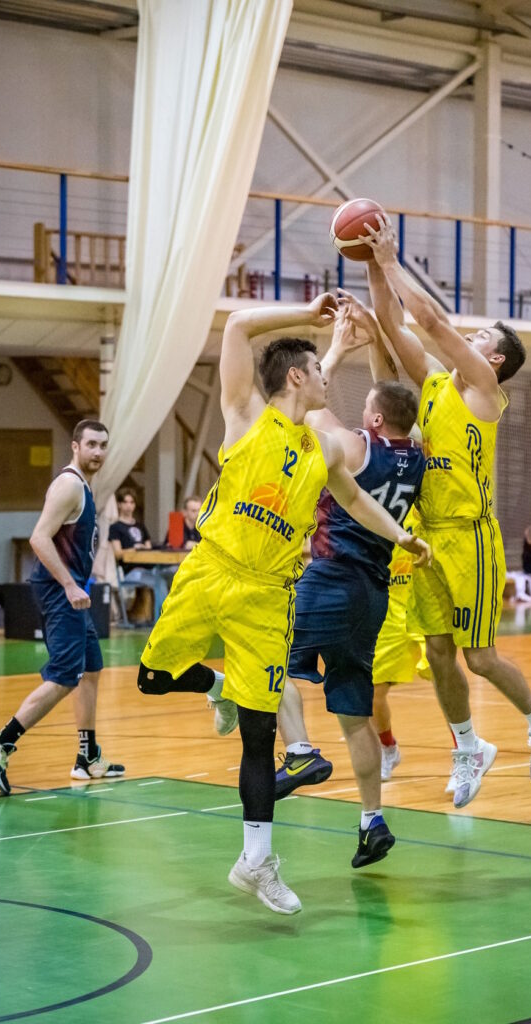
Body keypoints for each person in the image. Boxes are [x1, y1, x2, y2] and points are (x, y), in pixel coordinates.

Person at [136, 294, 430, 914]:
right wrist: (308, 312)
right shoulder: (244, 412)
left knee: (258, 731)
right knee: (152, 678)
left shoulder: (323, 449)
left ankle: (257, 860)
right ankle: (215, 686)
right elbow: (239, 325)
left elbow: (355, 501)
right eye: (320, 369)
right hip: (211, 571)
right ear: (297, 377)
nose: (328, 375)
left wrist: (401, 535)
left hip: (270, 596)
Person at [364, 215, 531, 808]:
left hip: (472, 536)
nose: (469, 338)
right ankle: (469, 747)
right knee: (437, 651)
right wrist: (373, 266)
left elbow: (428, 321)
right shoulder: (433, 382)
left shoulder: (483, 388)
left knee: (479, 657)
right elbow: (393, 323)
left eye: (480, 337)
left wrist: (392, 259)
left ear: (494, 359)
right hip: (429, 535)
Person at [272, 292, 426, 869]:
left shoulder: (353, 447)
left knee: (269, 659)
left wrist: (336, 349)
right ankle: (372, 821)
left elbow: (305, 407)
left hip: (331, 577)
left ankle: (300, 751)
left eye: (366, 407)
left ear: (375, 419)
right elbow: (394, 391)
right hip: (374, 591)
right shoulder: (417, 453)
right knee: (354, 714)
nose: (360, 411)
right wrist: (378, 337)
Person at [0, 420, 125, 794]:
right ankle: (1, 742)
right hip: (61, 592)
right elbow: (39, 538)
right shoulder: (69, 485)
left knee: (91, 668)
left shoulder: (84, 486)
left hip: (69, 591)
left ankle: (87, 757)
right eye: (91, 444)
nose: (98, 452)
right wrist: (70, 585)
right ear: (75, 446)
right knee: (64, 676)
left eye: (103, 445)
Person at [372, 506, 431, 782]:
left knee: (445, 680)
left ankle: (466, 749)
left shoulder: (419, 509)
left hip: (422, 604)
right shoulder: (370, 508)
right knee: (374, 693)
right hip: (388, 611)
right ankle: (388, 749)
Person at [109, 487, 159, 622]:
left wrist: (143, 549)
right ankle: (159, 617)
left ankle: (154, 615)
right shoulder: (115, 527)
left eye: (132, 502)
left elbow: (149, 548)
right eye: (125, 502)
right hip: (130, 570)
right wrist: (133, 550)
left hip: (147, 567)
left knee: (163, 575)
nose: (129, 506)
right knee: (159, 581)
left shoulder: (141, 526)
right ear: (119, 504)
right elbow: (117, 553)